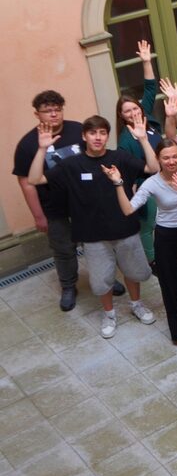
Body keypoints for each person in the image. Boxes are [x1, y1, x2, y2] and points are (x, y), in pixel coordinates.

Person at [27, 116, 159, 338]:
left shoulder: (120, 158)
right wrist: (42, 149)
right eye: (93, 133)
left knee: (133, 271)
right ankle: (109, 314)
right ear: (84, 136)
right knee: (101, 278)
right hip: (92, 235)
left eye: (102, 133)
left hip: (125, 228)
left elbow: (153, 167)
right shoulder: (71, 165)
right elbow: (34, 179)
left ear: (107, 136)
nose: (98, 137)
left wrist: (144, 139)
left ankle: (136, 304)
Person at [106, 137, 177, 347]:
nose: (171, 161)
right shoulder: (152, 182)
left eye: (175, 156)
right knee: (170, 284)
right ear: (158, 160)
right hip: (166, 235)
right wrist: (118, 183)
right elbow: (128, 209)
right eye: (166, 158)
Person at [13, 91, 89, 311]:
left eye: (58, 109)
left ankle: (104, 279)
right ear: (37, 114)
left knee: (96, 244)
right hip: (55, 209)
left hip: (86, 203)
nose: (54, 114)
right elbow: (27, 183)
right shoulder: (28, 144)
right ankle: (68, 286)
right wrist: (38, 215)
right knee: (64, 250)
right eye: (48, 111)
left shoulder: (78, 130)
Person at [115, 41, 166, 261]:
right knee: (149, 225)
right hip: (145, 183)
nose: (133, 112)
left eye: (135, 108)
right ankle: (152, 260)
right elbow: (126, 167)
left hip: (166, 176)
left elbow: (150, 87)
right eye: (127, 111)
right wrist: (133, 186)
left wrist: (146, 61)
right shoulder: (125, 140)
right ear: (121, 115)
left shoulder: (147, 119)